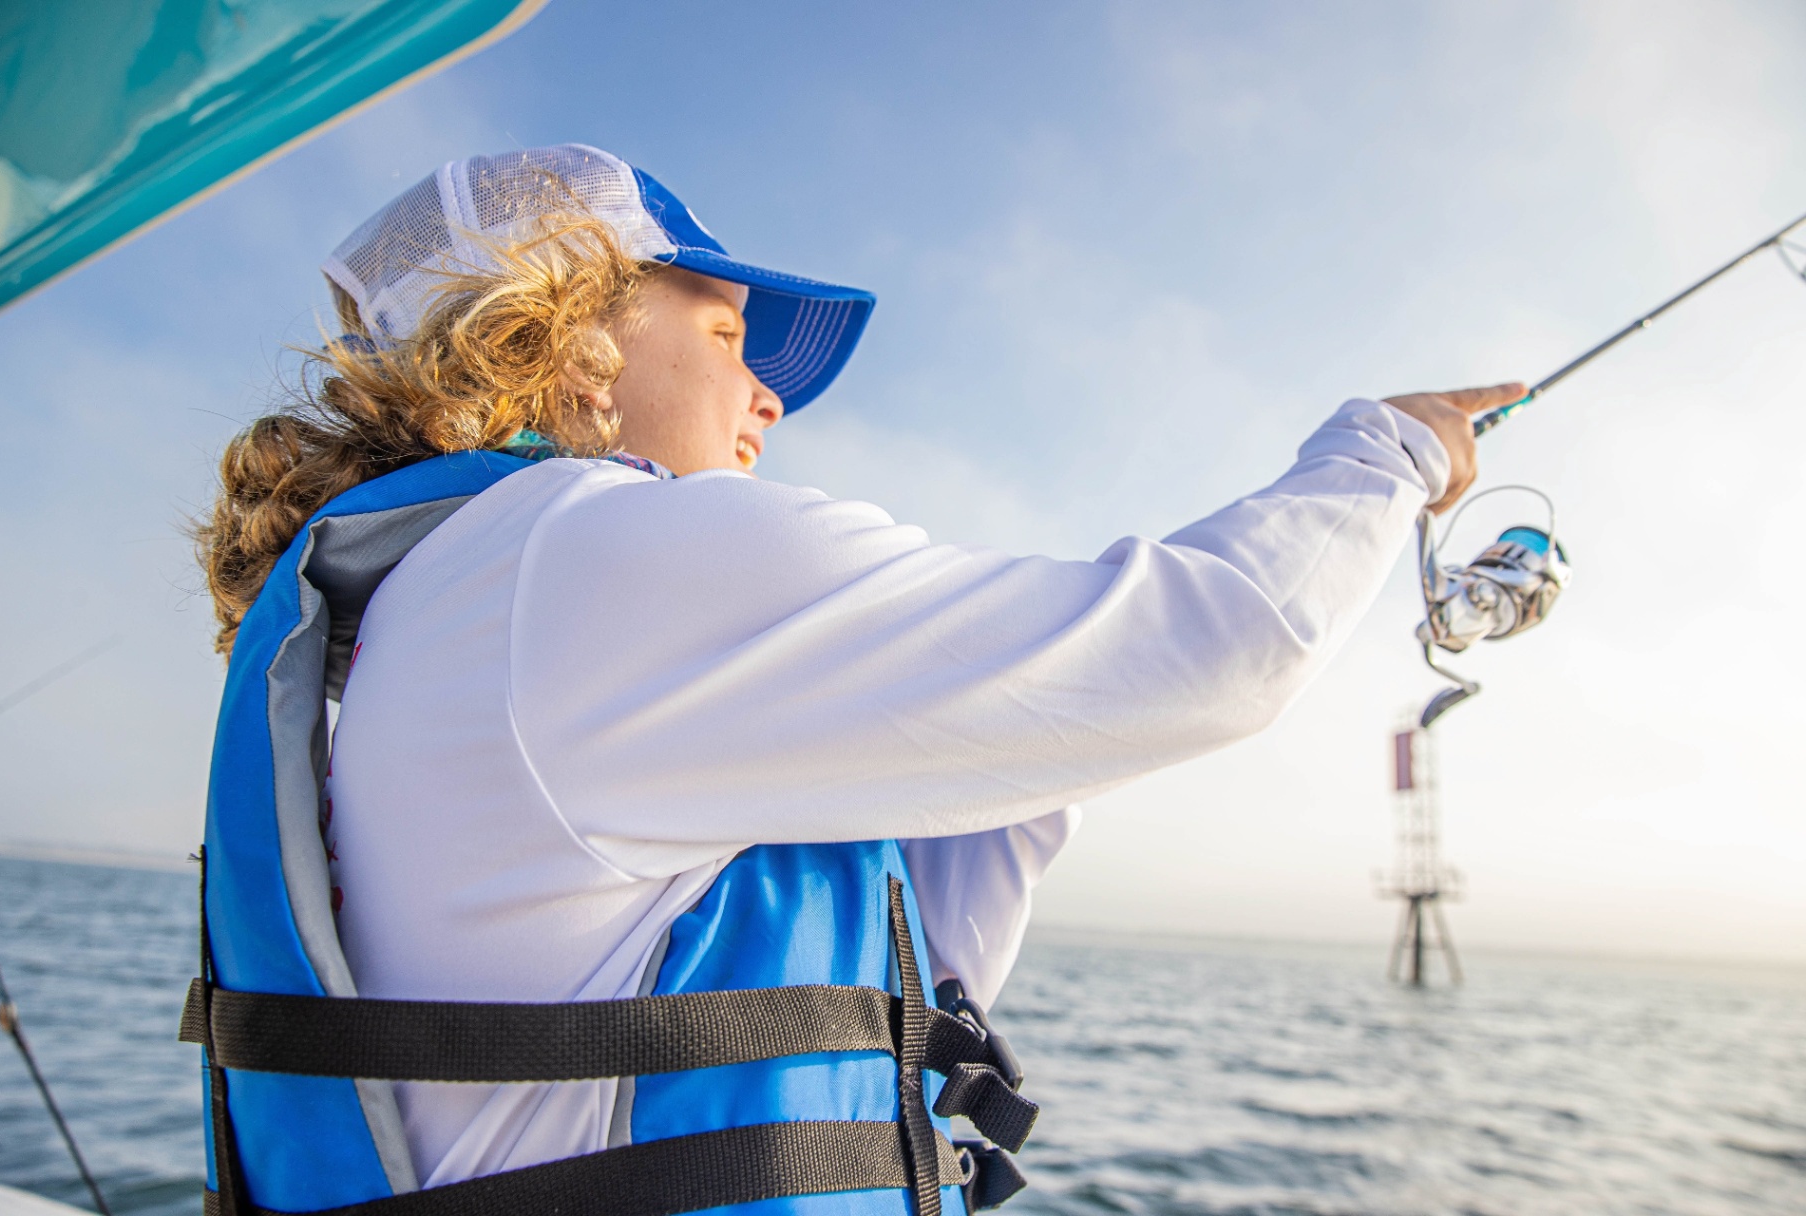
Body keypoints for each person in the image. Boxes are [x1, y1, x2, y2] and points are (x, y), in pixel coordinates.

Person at [193, 144, 1518, 1216]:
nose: (770, 397)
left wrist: (1019, 753)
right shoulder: (589, 556)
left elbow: (903, 986)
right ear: (563, 330)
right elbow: (1220, 646)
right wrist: (1390, 452)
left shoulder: (431, 609)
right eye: (726, 336)